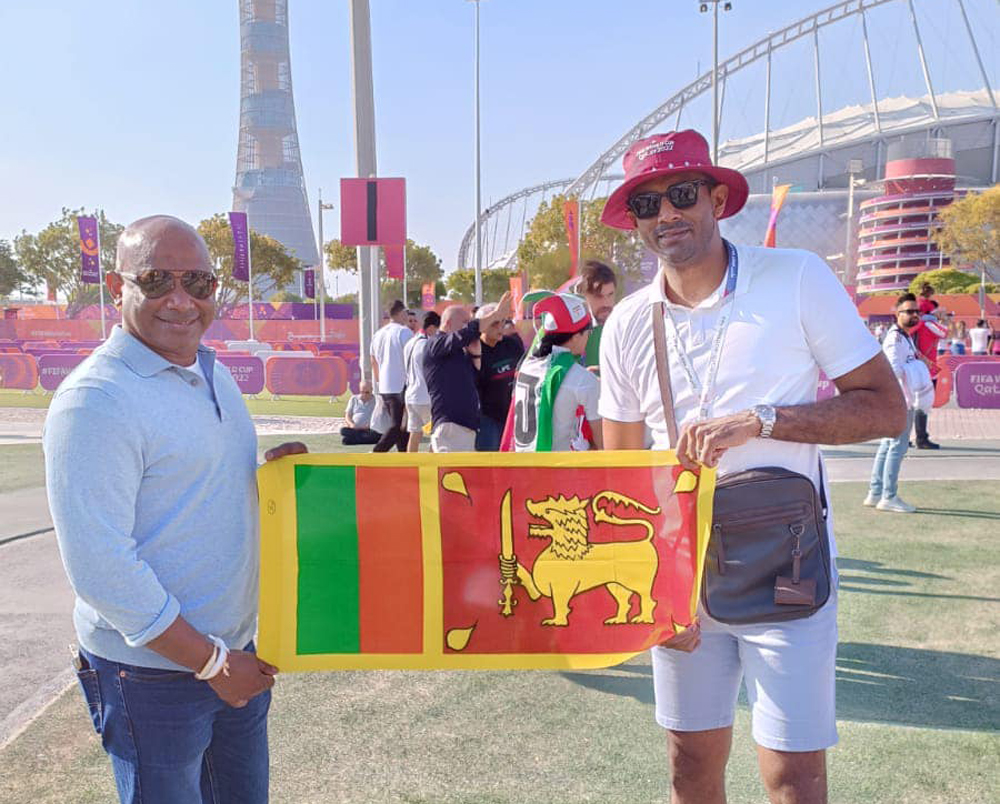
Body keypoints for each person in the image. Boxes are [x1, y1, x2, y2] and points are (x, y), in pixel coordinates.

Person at [596, 130, 904, 804]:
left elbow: (886, 410)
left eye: (681, 195)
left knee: (793, 779)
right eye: (647, 205)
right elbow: (618, 470)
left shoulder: (794, 277)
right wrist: (650, 598)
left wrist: (765, 420)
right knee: (689, 768)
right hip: (681, 578)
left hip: (786, 572)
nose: (665, 215)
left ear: (715, 198)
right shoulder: (624, 322)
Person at [43, 215, 307, 804]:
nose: (180, 300)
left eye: (198, 282)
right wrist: (212, 664)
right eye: (157, 279)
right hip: (154, 675)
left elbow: (191, 488)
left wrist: (272, 479)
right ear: (118, 289)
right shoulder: (96, 400)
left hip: (236, 655)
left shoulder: (212, 371)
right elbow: (102, 568)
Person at [864, 294, 929, 513]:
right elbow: (892, 370)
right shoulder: (895, 338)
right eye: (909, 311)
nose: (914, 315)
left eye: (916, 311)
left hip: (900, 399)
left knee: (887, 445)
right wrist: (914, 372)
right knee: (897, 448)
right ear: (897, 314)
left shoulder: (904, 337)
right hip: (899, 401)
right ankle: (888, 496)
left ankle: (876, 492)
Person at [513, 293, 602, 452]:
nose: (589, 336)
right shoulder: (582, 380)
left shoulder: (527, 367)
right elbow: (604, 442)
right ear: (576, 336)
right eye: (588, 331)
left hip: (522, 467)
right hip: (559, 471)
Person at [424, 295, 512, 453]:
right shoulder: (435, 344)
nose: (468, 326)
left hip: (465, 425)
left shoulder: (457, 351)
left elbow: (472, 381)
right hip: (451, 425)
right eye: (465, 322)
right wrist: (494, 315)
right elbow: (466, 333)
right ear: (448, 323)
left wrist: (476, 356)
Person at [473, 302, 525, 450]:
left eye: (502, 322)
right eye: (494, 323)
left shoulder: (512, 344)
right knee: (490, 464)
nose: (500, 327)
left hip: (514, 415)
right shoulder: (475, 350)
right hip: (488, 418)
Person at [369, 299, 413, 452]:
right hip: (401, 384)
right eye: (406, 312)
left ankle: (405, 458)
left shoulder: (378, 334)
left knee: (402, 428)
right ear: (401, 313)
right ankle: (377, 453)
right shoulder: (404, 332)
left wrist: (379, 381)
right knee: (398, 425)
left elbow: (373, 359)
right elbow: (411, 357)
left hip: (385, 386)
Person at [910, 301, 948, 449]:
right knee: (923, 404)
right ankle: (921, 438)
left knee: (909, 403)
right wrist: (941, 319)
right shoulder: (928, 324)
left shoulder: (913, 325)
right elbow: (944, 333)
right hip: (927, 367)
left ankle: (905, 437)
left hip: (913, 366)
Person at [402, 311, 440, 452]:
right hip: (425, 397)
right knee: (436, 434)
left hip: (411, 395)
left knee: (415, 433)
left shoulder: (410, 343)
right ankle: (431, 466)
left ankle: (411, 466)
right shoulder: (427, 344)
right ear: (431, 327)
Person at [579, 259, 617, 371]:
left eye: (610, 295)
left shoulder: (622, 326)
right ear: (583, 295)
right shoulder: (562, 326)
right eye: (598, 296)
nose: (606, 303)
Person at [340, 380, 380, 445]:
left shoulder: (377, 400)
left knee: (376, 434)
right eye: (362, 392)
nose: (364, 394)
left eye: (367, 392)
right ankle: (364, 439)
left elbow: (379, 417)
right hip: (355, 429)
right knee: (343, 430)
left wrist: (370, 425)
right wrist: (351, 424)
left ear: (372, 390)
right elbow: (347, 415)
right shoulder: (354, 399)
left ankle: (357, 439)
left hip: (369, 429)